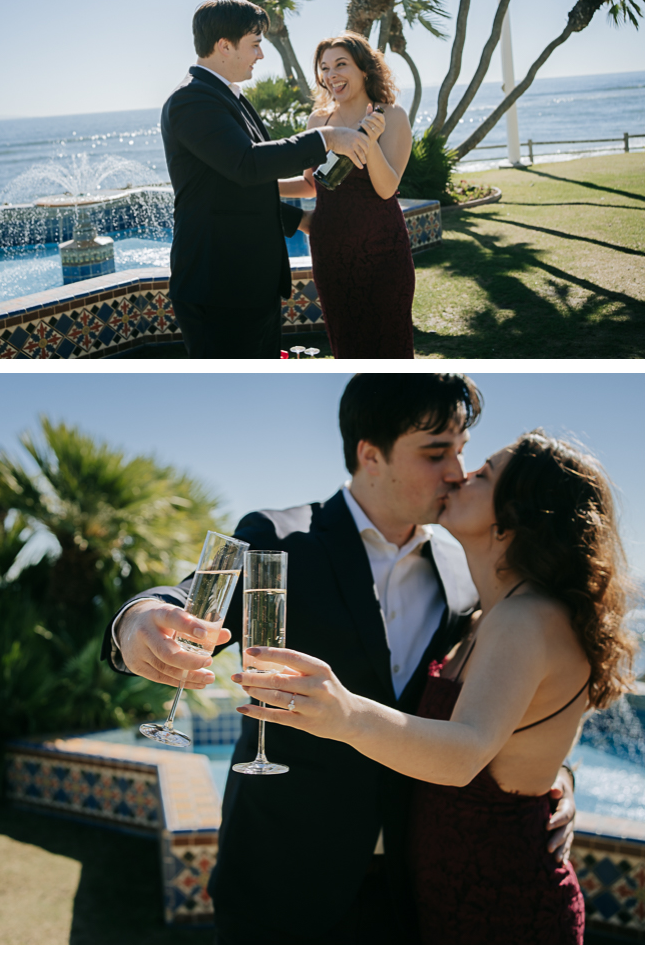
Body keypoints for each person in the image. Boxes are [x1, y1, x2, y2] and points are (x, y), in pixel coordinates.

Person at [100, 374, 577, 943]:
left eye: (461, 452)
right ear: (370, 454)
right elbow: (192, 593)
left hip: (407, 893)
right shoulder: (282, 536)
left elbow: (504, 697)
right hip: (281, 883)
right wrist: (135, 622)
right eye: (435, 452)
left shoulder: (462, 579)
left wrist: (554, 776)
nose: (455, 471)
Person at [235, 431, 637, 944]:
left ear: (512, 518)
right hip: (442, 895)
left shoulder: (527, 618)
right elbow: (518, 729)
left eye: (484, 473)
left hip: (502, 900)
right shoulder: (481, 614)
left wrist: (346, 715)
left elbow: (468, 751)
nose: (461, 473)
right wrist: (558, 774)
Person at [160, 0, 373, 359]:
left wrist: (301, 220)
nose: (260, 55)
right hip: (219, 287)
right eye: (255, 44)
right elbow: (248, 164)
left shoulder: (227, 96)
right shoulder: (191, 101)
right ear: (224, 46)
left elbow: (232, 187)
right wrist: (328, 137)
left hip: (248, 284)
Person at [278, 32, 415, 359]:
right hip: (331, 252)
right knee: (347, 343)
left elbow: (386, 188)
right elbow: (313, 185)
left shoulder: (392, 116)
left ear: (364, 68)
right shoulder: (318, 120)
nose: (331, 75)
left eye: (341, 64)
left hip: (383, 250)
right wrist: (260, 184)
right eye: (324, 68)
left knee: (390, 342)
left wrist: (368, 138)